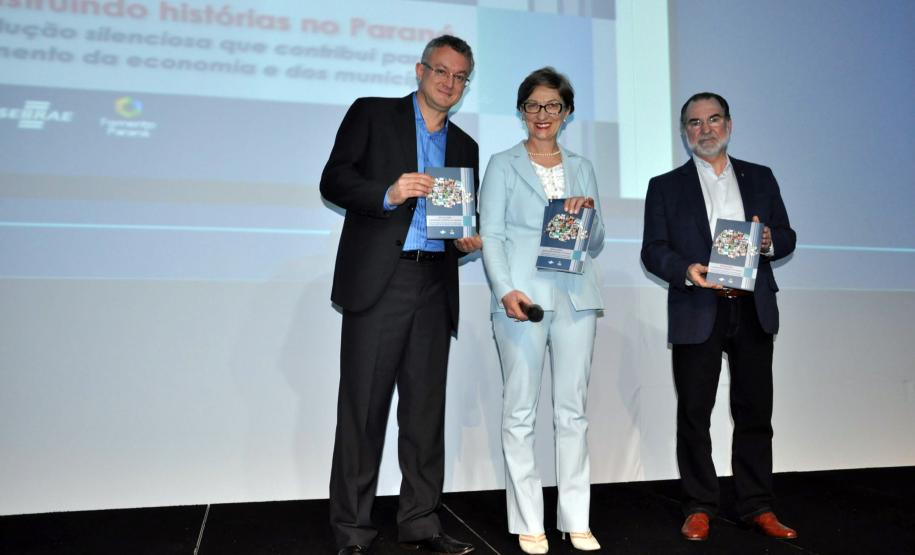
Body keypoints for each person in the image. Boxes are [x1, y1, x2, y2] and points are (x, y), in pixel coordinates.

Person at [320, 35, 482, 555]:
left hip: (434, 282)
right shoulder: (372, 114)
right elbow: (334, 180)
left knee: (423, 413)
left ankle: (420, 521)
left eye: (459, 77)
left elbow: (453, 225)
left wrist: (464, 241)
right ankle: (351, 531)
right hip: (380, 284)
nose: (448, 83)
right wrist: (388, 193)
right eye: (441, 71)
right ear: (420, 70)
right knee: (362, 412)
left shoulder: (465, 148)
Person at [640, 92, 798, 542]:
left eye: (713, 120)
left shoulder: (761, 177)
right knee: (694, 413)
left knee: (754, 412)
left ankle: (757, 505)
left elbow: (787, 236)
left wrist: (767, 241)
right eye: (694, 123)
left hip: (751, 306)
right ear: (684, 131)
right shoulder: (665, 185)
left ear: (728, 124)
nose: (704, 129)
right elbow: (653, 251)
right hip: (698, 305)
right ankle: (699, 506)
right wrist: (686, 271)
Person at [480, 67, 604, 554]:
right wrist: (505, 290)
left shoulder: (583, 165)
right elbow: (490, 235)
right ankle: (529, 520)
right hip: (522, 304)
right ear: (521, 111)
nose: (542, 114)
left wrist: (585, 214)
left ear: (567, 111)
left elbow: (595, 242)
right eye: (533, 105)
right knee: (520, 412)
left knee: (572, 413)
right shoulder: (502, 163)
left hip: (576, 297)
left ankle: (577, 518)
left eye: (552, 105)